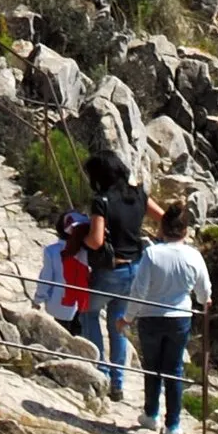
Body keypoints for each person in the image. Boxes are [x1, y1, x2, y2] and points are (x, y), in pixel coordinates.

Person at [127, 199, 212, 434]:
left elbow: (138, 291)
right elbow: (204, 293)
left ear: (162, 228)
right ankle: (173, 425)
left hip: (150, 317)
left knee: (152, 366)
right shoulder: (194, 256)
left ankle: (151, 413)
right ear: (185, 230)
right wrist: (205, 301)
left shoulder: (151, 254)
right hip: (179, 319)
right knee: (174, 369)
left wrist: (127, 318)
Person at [85, 147, 153, 407]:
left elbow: (96, 240)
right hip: (135, 269)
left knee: (89, 313)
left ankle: (99, 372)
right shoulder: (138, 194)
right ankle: (118, 384)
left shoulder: (101, 201)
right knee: (119, 324)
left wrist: (80, 235)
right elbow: (161, 216)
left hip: (111, 269)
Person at [34, 211, 97, 350]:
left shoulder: (52, 251)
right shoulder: (89, 251)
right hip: (84, 304)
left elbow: (46, 277)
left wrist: (38, 299)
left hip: (60, 305)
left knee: (62, 342)